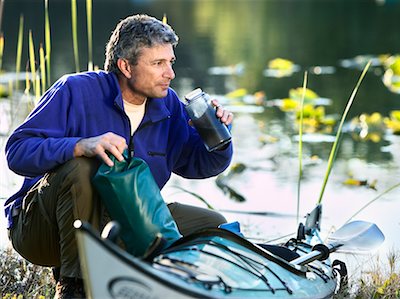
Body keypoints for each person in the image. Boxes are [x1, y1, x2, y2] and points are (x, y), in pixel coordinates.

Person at [4, 14, 233, 298]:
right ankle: (75, 286)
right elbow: (17, 152)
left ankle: (167, 288)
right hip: (43, 230)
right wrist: (79, 146)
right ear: (126, 66)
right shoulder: (75, 90)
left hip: (123, 220)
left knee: (215, 226)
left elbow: (198, 164)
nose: (170, 74)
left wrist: (217, 138)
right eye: (158, 63)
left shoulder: (169, 105)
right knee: (82, 167)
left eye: (170, 62)